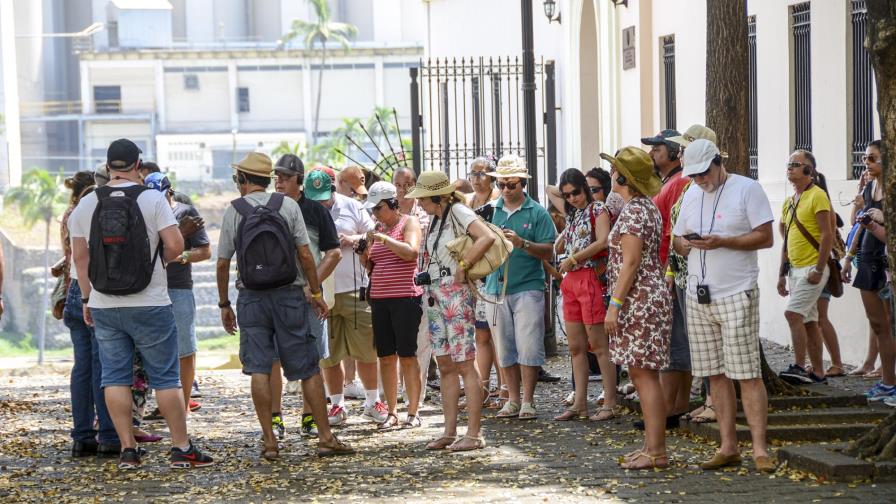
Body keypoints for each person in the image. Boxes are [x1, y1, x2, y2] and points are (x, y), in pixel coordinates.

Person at [69, 138, 213, 469]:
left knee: (115, 376)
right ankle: (180, 447)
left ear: (108, 167)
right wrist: (155, 262)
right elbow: (177, 247)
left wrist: (88, 298)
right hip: (151, 301)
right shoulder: (152, 199)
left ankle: (127, 449)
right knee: (165, 377)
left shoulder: (87, 203)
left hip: (104, 303)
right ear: (137, 165)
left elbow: (80, 256)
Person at [216, 152, 352, 459]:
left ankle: (270, 442)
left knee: (260, 368)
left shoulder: (234, 211)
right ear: (269, 180)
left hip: (251, 297)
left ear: (243, 180)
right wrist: (315, 293)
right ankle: (325, 437)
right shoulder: (288, 206)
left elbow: (223, 263)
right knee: (307, 367)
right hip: (290, 296)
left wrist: (224, 304)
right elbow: (306, 255)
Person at [672, 139, 775, 473]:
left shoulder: (747, 189)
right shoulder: (690, 194)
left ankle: (760, 449)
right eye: (694, 176)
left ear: (718, 162)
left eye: (703, 173)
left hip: (736, 291)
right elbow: (676, 237)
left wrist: (724, 242)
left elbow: (766, 237)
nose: (700, 180)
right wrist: (685, 245)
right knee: (714, 375)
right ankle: (728, 446)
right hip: (698, 294)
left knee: (746, 373)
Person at [406, 171, 495, 451]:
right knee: (444, 363)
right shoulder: (435, 219)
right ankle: (449, 431)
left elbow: (487, 237)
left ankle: (474, 433)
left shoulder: (457, 211)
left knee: (465, 362)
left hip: (455, 293)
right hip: (435, 294)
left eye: (422, 197)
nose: (419, 203)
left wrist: (464, 266)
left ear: (436, 196)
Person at [599, 147, 670, 469]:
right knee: (643, 374)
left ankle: (656, 451)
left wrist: (614, 305)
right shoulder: (642, 207)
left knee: (644, 375)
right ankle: (651, 447)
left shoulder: (635, 211)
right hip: (643, 297)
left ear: (623, 177)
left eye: (615, 169)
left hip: (639, 299)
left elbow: (630, 262)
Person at [305, 169, 386, 425]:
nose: (321, 203)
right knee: (329, 354)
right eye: (314, 198)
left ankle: (373, 401)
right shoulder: (303, 211)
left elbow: (375, 235)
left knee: (365, 349)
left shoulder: (352, 206)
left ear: (334, 188)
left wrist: (352, 239)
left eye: (324, 197)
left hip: (354, 288)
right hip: (321, 292)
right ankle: (337, 404)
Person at [271, 154, 342, 438]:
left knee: (311, 359)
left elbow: (333, 253)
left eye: (285, 177)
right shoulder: (269, 208)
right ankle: (275, 419)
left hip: (310, 295)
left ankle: (309, 417)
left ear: (299, 180)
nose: (279, 182)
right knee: (272, 359)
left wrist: (312, 285)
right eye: (277, 177)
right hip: (275, 293)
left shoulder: (315, 210)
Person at [485, 155, 557, 420]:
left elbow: (549, 251)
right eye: (502, 184)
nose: (506, 189)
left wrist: (522, 243)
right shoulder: (491, 210)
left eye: (511, 184)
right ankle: (512, 399)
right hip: (496, 287)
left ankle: (528, 400)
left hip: (528, 285)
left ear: (522, 184)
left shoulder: (537, 212)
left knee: (528, 345)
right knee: (504, 348)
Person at [61, 171, 120, 458]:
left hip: (75, 288)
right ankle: (109, 435)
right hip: (98, 291)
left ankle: (82, 436)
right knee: (104, 365)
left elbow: (72, 255)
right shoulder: (110, 207)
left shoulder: (77, 209)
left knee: (82, 366)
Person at [552, 168, 617, 422]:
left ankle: (610, 402)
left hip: (589, 276)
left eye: (576, 192)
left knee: (599, 345)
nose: (571, 198)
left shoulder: (597, 210)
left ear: (585, 189)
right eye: (566, 195)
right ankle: (580, 402)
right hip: (572, 281)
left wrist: (574, 258)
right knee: (576, 346)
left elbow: (603, 241)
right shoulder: (574, 214)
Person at [144, 172, 211, 416]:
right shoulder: (143, 214)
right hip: (151, 289)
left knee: (185, 349)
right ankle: (163, 403)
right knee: (154, 350)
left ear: (170, 192)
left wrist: (181, 256)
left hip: (179, 288)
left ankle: (182, 405)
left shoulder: (186, 213)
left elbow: (204, 252)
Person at [359, 182, 425, 429]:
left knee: (408, 355)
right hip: (380, 298)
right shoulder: (377, 228)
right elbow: (372, 266)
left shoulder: (409, 222)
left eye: (379, 209)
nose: (375, 215)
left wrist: (384, 239)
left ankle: (413, 411)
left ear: (392, 205)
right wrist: (363, 253)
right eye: (373, 210)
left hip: (405, 297)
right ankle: (392, 411)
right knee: (386, 356)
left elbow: (411, 252)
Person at [666, 124, 720, 424]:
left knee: (707, 341)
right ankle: (708, 398)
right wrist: (672, 268)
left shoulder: (703, 187)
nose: (681, 153)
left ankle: (713, 399)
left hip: (703, 275)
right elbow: (677, 230)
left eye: (686, 148)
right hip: (684, 273)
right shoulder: (689, 185)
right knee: (696, 341)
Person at [640, 130, 693, 429]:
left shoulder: (679, 182)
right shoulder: (668, 183)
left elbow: (672, 231)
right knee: (674, 338)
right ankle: (673, 404)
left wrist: (665, 271)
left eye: (657, 149)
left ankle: (672, 406)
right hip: (665, 269)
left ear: (674, 152)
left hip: (668, 271)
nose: (651, 155)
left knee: (674, 340)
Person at [842, 140, 896, 401]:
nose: (867, 163)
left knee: (890, 324)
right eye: (865, 158)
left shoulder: (891, 190)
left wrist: (879, 222)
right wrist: (848, 257)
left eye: (872, 158)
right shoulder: (869, 187)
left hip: (885, 264)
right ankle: (887, 381)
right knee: (878, 325)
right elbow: (859, 225)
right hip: (866, 259)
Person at [777, 150, 833, 385]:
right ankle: (818, 371)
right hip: (796, 269)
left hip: (812, 268)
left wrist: (819, 269)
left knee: (792, 314)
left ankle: (800, 365)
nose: (790, 168)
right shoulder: (789, 202)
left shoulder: (817, 196)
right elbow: (786, 239)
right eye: (789, 164)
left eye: (796, 164)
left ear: (809, 170)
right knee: (810, 322)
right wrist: (782, 274)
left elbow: (826, 234)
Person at [465, 157, 504, 408]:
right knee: (480, 333)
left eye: (483, 174)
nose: (478, 179)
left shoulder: (498, 200)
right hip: (474, 275)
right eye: (474, 174)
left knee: (497, 334)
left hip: (495, 272)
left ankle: (505, 388)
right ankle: (483, 387)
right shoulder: (467, 202)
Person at [811, 172, 846, 378]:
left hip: (820, 267)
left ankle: (837, 363)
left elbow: (829, 236)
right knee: (813, 319)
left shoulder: (822, 205)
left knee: (820, 318)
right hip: (809, 266)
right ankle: (818, 364)